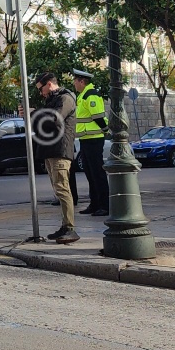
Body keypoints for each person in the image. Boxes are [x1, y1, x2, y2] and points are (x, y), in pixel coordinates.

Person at [29, 72, 79, 244]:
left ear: (49, 84)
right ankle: (65, 227)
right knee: (59, 190)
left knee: (63, 189)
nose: (40, 93)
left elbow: (55, 120)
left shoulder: (66, 99)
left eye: (41, 89)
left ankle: (70, 228)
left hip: (60, 150)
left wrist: (35, 113)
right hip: (50, 150)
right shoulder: (52, 100)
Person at [72, 69, 109, 216]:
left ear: (82, 81)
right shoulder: (82, 96)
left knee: (98, 174)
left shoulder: (91, 94)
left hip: (94, 140)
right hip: (86, 139)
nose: (74, 83)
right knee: (90, 173)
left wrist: (106, 130)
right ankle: (94, 204)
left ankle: (105, 206)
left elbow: (98, 117)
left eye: (75, 80)